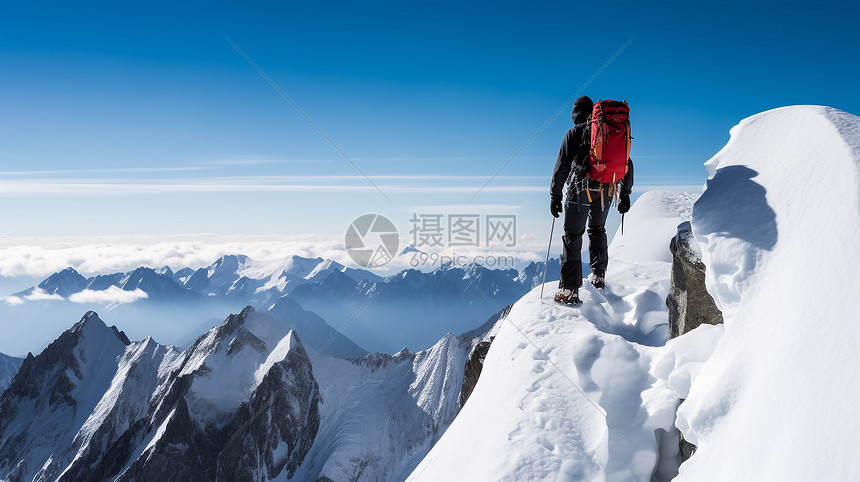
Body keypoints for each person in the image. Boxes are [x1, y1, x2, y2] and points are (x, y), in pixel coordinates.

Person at [549, 95, 634, 305]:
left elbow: (562, 167)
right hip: (607, 189)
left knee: (572, 235)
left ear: (575, 115)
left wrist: (555, 195)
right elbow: (627, 163)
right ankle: (598, 277)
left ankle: (569, 290)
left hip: (580, 190)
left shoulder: (574, 133)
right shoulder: (608, 132)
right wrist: (625, 194)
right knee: (597, 230)